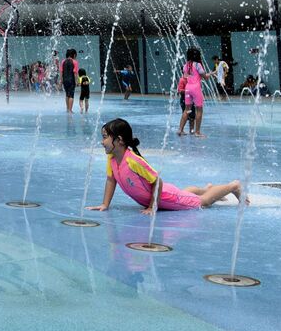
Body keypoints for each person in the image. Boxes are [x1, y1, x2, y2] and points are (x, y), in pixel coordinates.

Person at [87, 118, 243, 214]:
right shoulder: (112, 158)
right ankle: (209, 188)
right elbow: (110, 180)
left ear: (119, 140)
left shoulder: (132, 160)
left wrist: (152, 206)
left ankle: (232, 186)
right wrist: (105, 204)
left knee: (203, 202)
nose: (102, 141)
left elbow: (157, 181)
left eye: (105, 137)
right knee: (183, 194)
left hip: (164, 197)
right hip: (163, 195)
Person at [178, 47, 212, 137]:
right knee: (199, 110)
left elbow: (187, 76)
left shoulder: (186, 65)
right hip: (196, 88)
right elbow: (205, 77)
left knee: (187, 110)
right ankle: (197, 132)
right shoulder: (197, 65)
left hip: (188, 88)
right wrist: (211, 73)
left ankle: (180, 130)